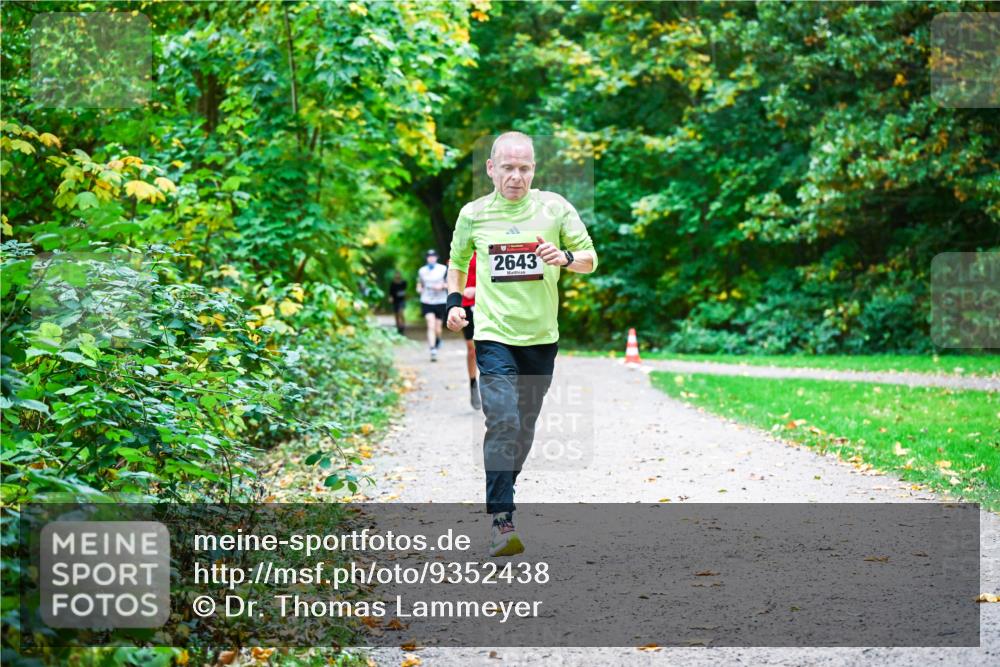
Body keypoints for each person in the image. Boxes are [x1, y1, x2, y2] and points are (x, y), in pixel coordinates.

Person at [446, 131, 598, 557]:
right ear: (491, 168)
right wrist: (454, 305)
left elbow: (590, 257)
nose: (516, 176)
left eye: (524, 168)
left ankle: (502, 485)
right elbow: (456, 264)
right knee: (503, 420)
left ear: (534, 169)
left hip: (540, 338)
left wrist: (564, 258)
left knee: (524, 427)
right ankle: (501, 520)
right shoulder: (474, 215)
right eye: (508, 167)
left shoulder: (554, 208)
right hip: (493, 334)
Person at [416, 249, 448, 362]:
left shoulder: (443, 269)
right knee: (430, 324)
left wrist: (442, 286)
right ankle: (432, 349)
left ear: (436, 257)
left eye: (433, 256)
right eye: (429, 256)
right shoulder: (422, 270)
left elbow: (450, 283)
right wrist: (419, 288)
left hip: (440, 301)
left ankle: (438, 339)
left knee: (438, 328)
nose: (431, 258)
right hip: (426, 300)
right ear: (426, 258)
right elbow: (420, 283)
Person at [462, 253, 481, 410]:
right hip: (466, 305)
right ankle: (473, 383)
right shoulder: (459, 250)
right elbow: (451, 279)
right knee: (472, 349)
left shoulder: (488, 247)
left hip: (488, 303)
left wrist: (477, 289)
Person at [389, 270, 407, 335]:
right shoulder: (392, 283)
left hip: (402, 300)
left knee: (400, 312)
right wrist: (390, 298)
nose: (397, 275)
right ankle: (398, 327)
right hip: (395, 300)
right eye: (396, 274)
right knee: (396, 314)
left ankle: (402, 326)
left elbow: (405, 290)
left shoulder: (404, 282)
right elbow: (390, 292)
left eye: (398, 274)